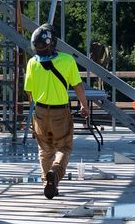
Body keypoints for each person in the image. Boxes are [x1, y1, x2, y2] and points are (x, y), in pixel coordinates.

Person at [23, 25, 87, 198]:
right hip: (60, 112)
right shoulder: (67, 60)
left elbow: (28, 91)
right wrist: (84, 106)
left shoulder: (32, 63)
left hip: (40, 111)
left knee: (44, 150)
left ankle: (47, 182)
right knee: (64, 147)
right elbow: (78, 86)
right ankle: (55, 174)